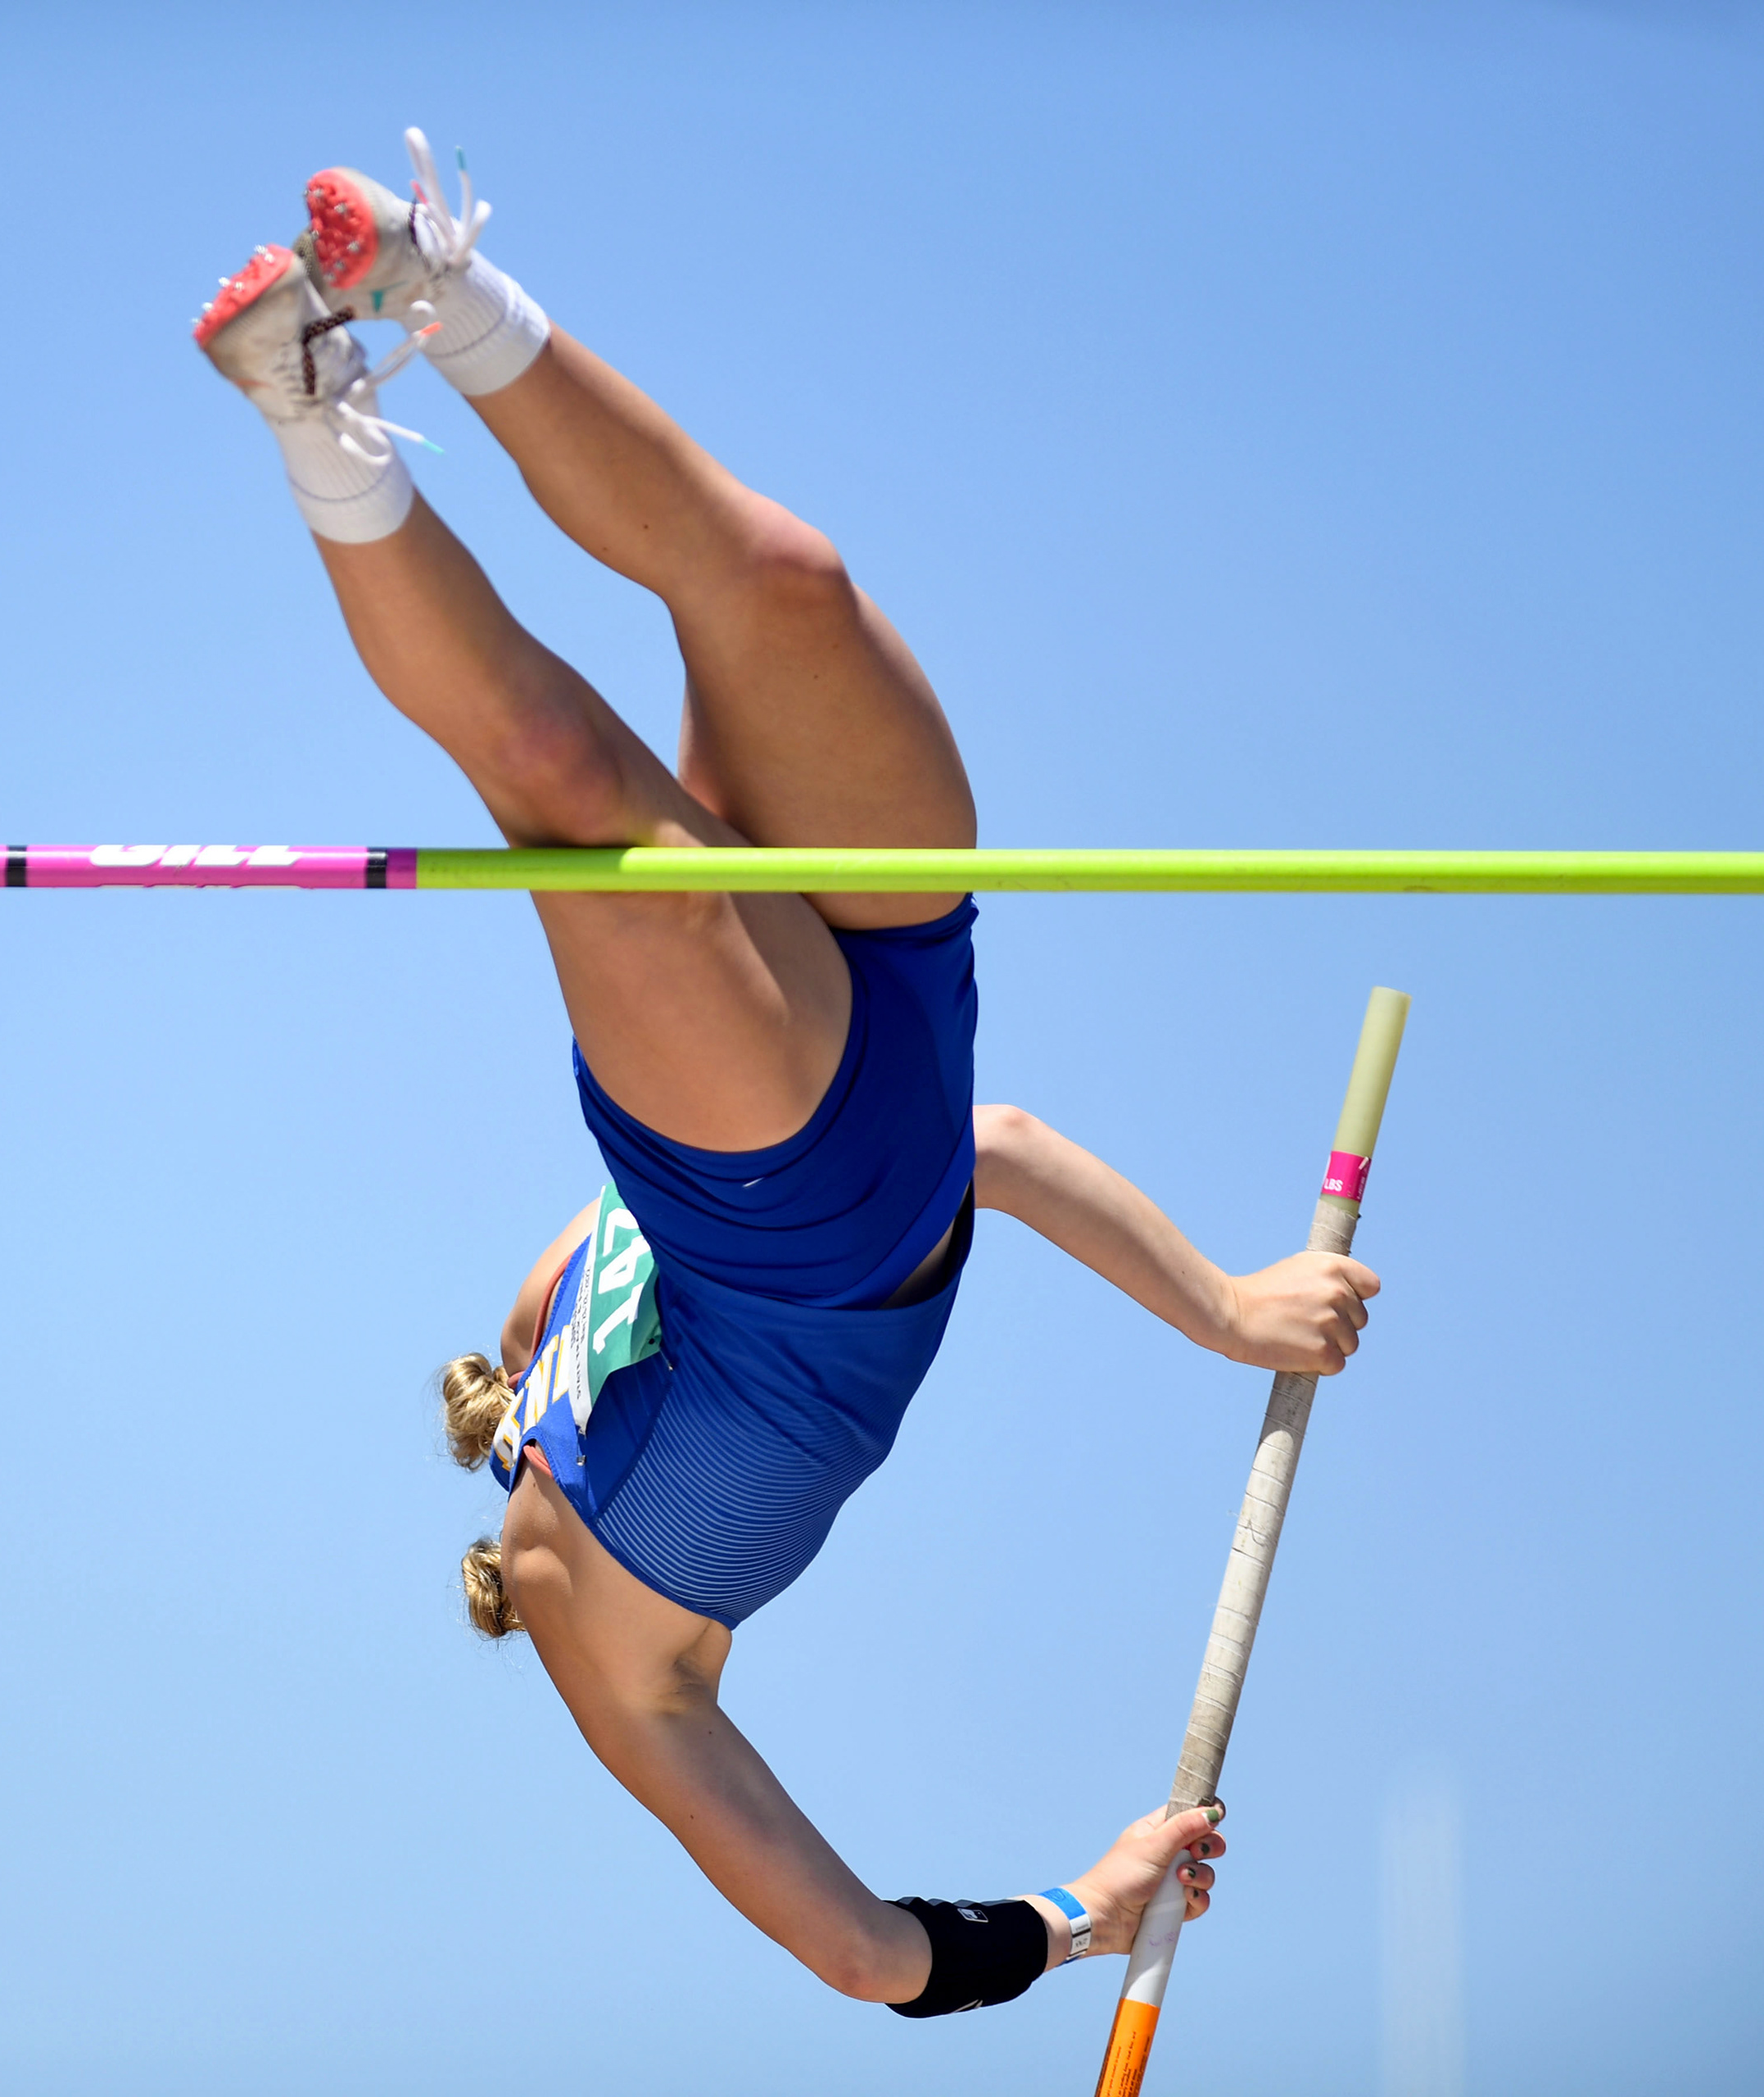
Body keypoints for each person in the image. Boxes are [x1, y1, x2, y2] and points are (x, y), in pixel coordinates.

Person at [196, 132, 1381, 2018]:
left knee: (710, 643)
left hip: (781, 1181)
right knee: (695, 681)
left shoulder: (588, 1549)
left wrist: (1236, 1321)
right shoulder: (621, 1637)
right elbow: (872, 1953)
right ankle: (315, 403)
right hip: (904, 1050)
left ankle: (417, 304)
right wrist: (1231, 1310)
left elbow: (870, 1963)